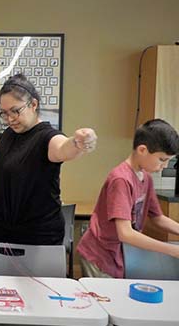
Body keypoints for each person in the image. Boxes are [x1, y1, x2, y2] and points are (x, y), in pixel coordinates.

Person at [0, 73, 97, 245]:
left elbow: (63, 149)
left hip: (37, 238)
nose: (10, 119)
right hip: (3, 233)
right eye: (4, 113)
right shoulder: (10, 134)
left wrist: (78, 142)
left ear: (33, 104)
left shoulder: (46, 137)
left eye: (15, 111)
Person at [77, 119, 179, 278]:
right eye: (162, 159)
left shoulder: (146, 177)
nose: (164, 166)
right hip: (99, 255)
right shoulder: (121, 179)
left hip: (118, 253)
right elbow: (126, 233)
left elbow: (157, 218)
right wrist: (172, 250)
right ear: (142, 150)